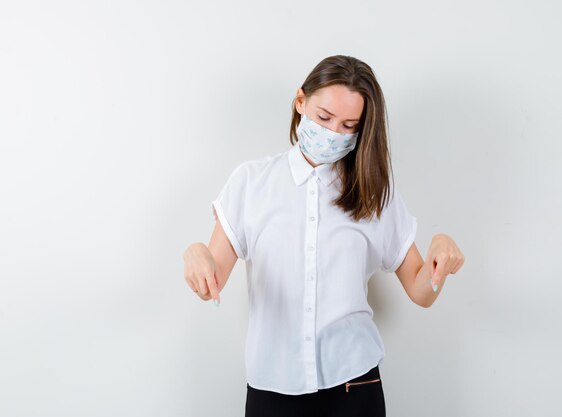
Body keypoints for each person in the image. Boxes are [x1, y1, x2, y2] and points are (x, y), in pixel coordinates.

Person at [182, 54, 465, 417]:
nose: (334, 134)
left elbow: (422, 291)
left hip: (354, 386)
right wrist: (195, 252)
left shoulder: (374, 192)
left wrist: (440, 255)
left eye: (349, 125)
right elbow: (210, 282)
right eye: (324, 118)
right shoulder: (251, 183)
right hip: (272, 388)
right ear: (300, 102)